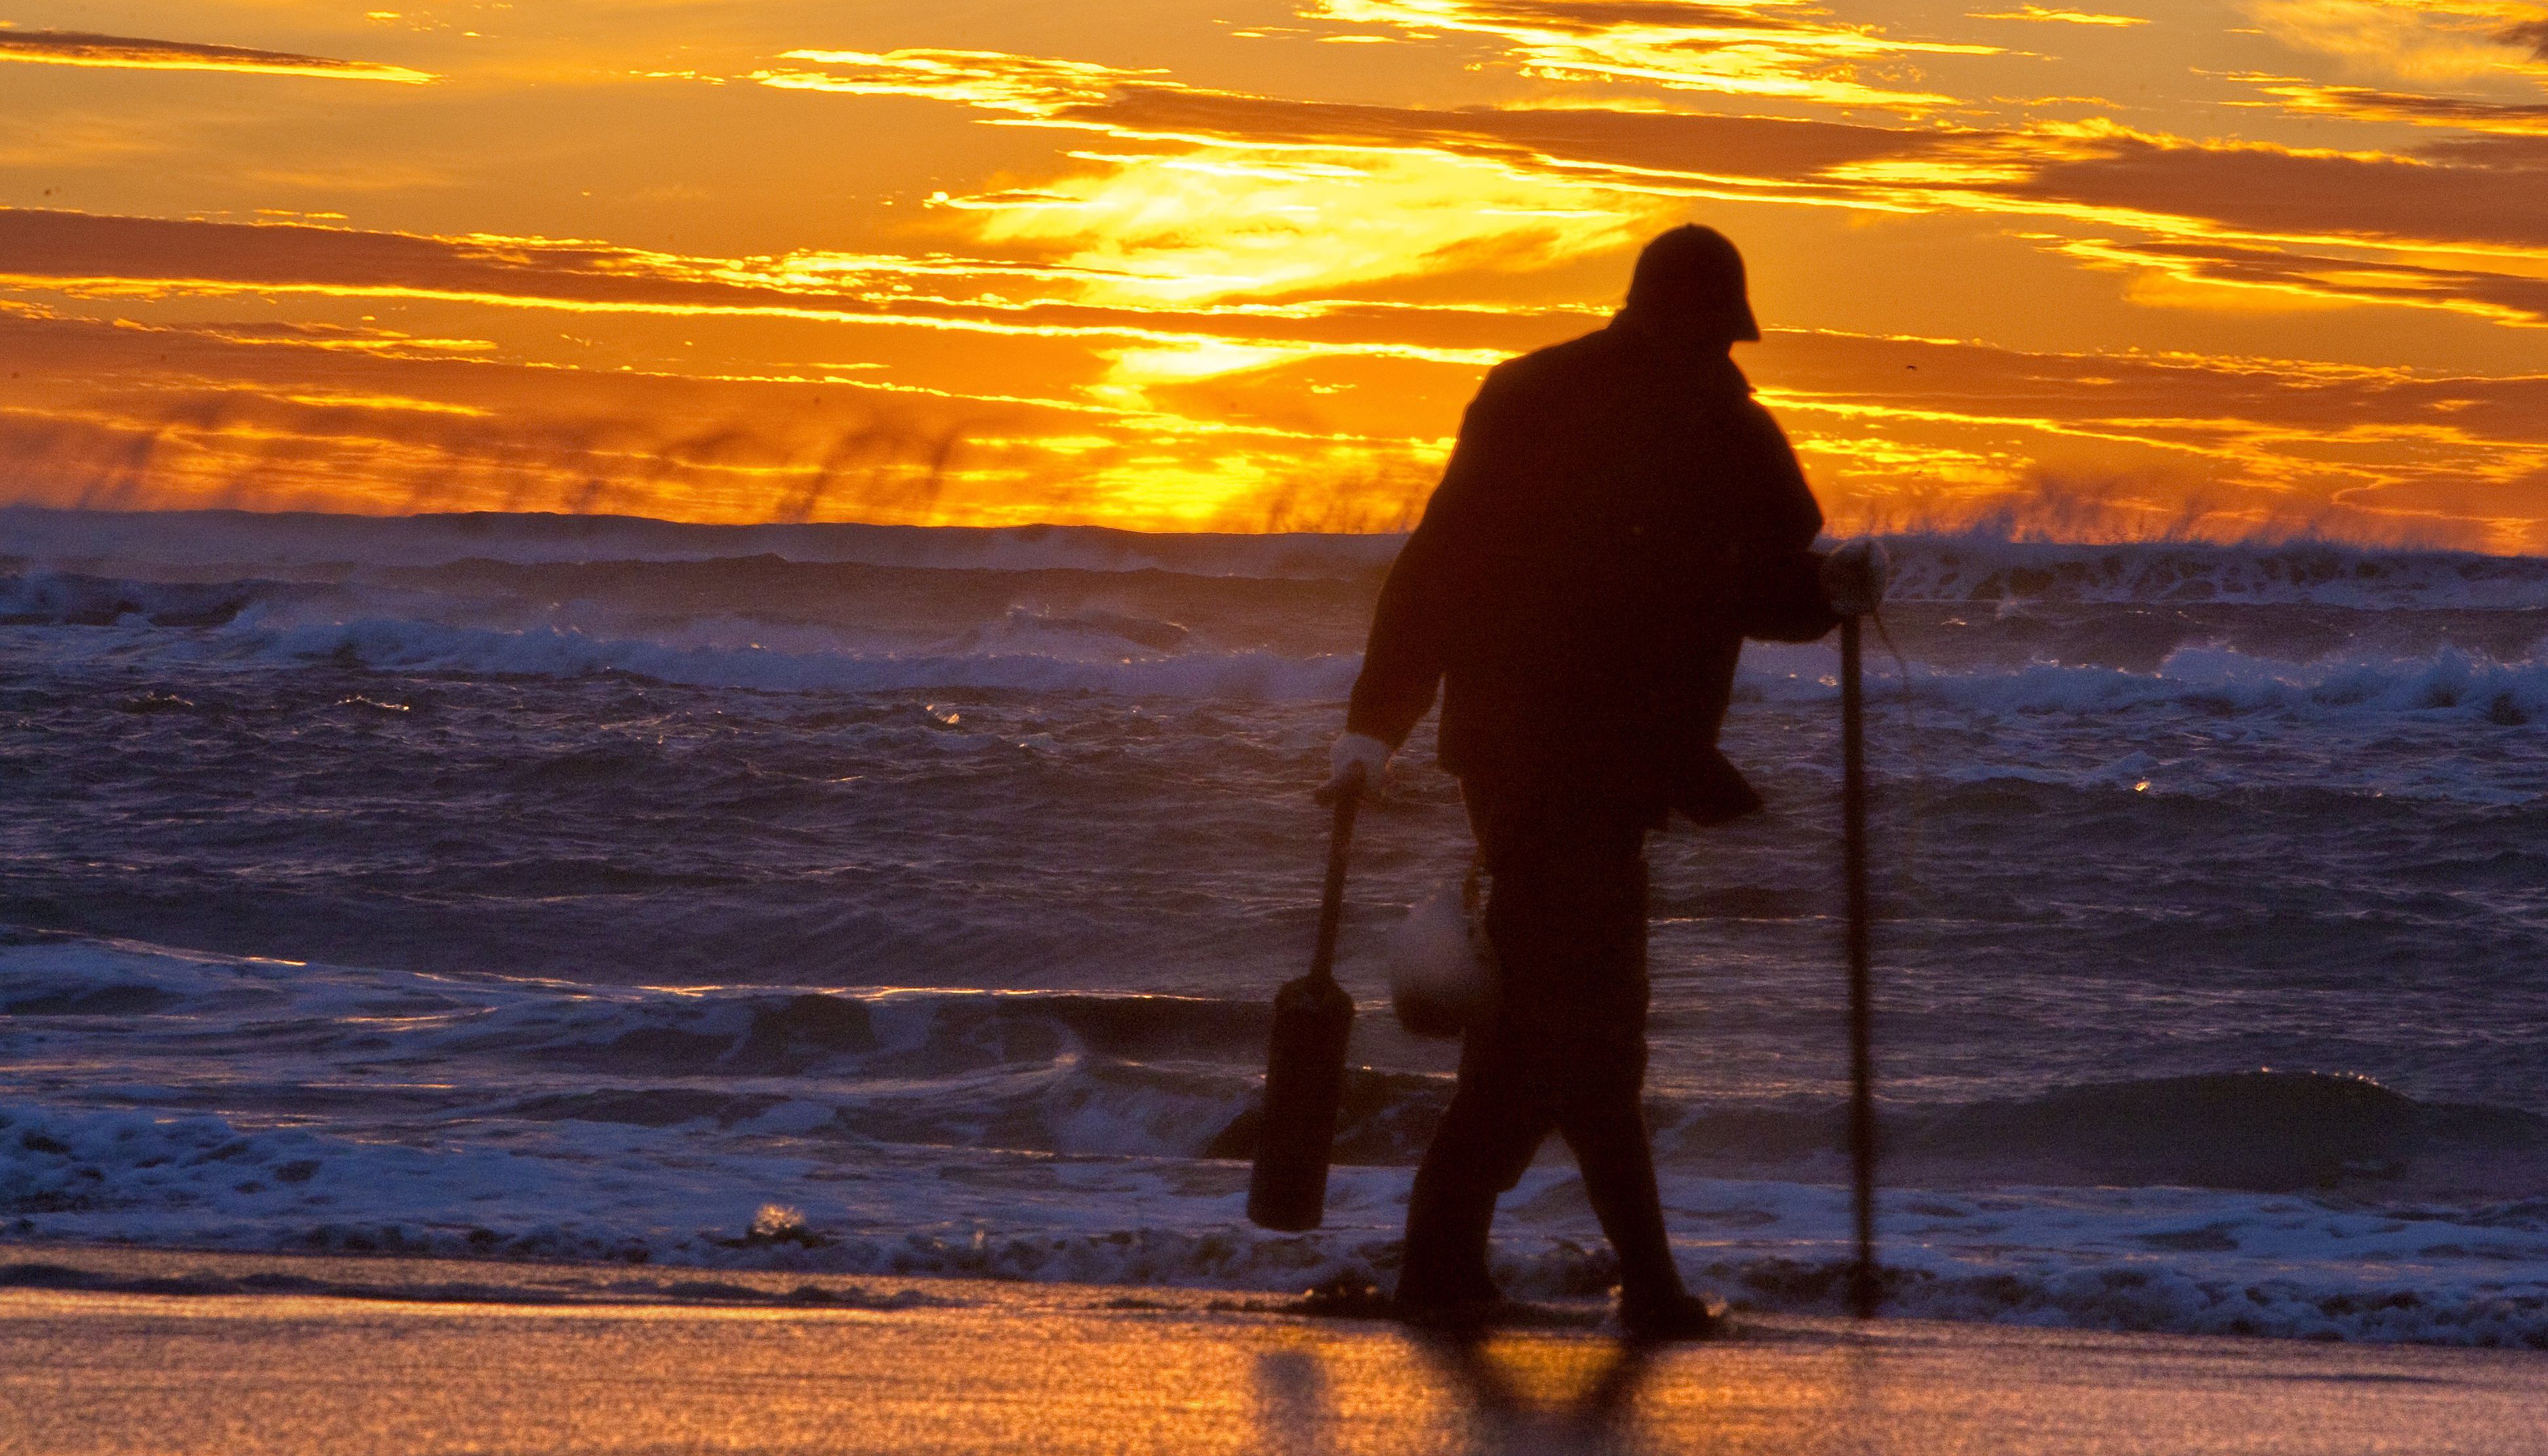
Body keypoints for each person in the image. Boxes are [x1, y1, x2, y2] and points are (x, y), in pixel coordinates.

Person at [1320, 224, 1887, 1341]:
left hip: (1600, 771)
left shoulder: (1717, 425)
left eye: (1725, 339)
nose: (1719, 355)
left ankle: (1447, 1263)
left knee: (1542, 1028)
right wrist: (1371, 727)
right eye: (1710, 333)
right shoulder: (1546, 404)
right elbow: (1441, 566)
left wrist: (1835, 590)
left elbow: (1763, 583)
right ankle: (1641, 1285)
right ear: (1663, 318)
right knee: (1594, 1029)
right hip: (1539, 766)